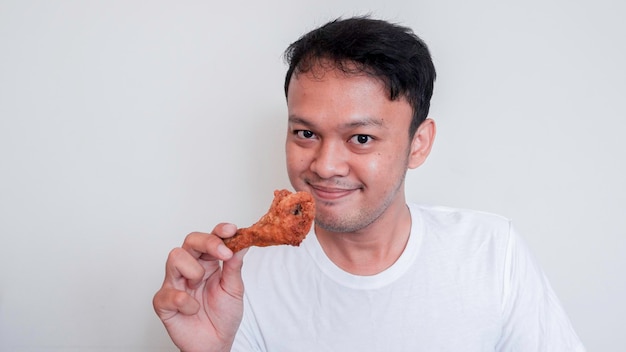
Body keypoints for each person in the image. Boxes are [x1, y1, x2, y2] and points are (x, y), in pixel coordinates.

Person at [153, 16, 585, 351]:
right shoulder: (237, 281)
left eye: (361, 138)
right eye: (305, 133)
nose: (325, 166)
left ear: (418, 144)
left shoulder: (492, 253)